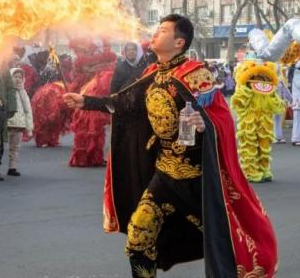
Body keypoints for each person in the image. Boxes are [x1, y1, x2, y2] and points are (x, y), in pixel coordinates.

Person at [63, 15, 278, 277]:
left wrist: (204, 124)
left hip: (197, 180)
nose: (155, 33)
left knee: (225, 238)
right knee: (138, 237)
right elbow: (125, 104)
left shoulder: (196, 75)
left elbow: (220, 118)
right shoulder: (152, 73)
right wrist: (86, 102)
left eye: (163, 30)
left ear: (179, 42)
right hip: (164, 173)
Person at [231, 60, 285, 182]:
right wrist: (247, 90)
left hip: (265, 122)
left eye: (262, 77)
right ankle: (250, 172)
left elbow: (276, 106)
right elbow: (238, 103)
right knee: (249, 146)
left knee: (264, 146)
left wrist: (275, 97)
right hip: (248, 121)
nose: (259, 79)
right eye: (256, 77)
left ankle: (264, 169)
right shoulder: (243, 87)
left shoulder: (267, 89)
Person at [30, 63, 71, 148]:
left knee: (55, 119)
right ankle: (42, 139)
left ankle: (52, 139)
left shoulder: (62, 73)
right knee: (46, 120)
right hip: (48, 96)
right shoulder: (49, 71)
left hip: (55, 94)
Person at [6, 68, 33, 176]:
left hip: (19, 125)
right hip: (7, 124)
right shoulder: (7, 91)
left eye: (20, 77)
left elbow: (27, 110)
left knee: (15, 148)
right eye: (15, 77)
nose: (17, 79)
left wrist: (29, 128)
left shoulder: (23, 92)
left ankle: (12, 167)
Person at [273, 65, 292, 144]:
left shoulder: (280, 80)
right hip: (272, 103)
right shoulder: (269, 80)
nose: (277, 71)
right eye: (276, 70)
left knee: (278, 120)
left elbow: (285, 90)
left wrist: (291, 98)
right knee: (273, 120)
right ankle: (273, 137)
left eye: (278, 70)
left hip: (280, 102)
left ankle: (279, 136)